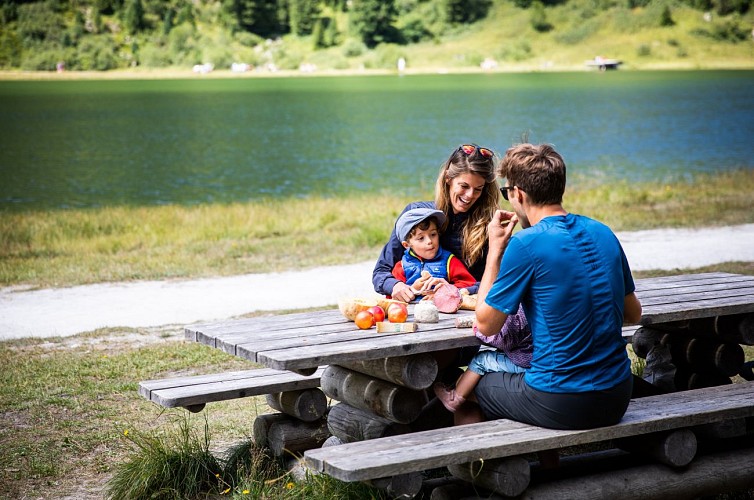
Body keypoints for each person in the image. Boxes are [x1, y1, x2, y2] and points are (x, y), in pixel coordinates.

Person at [465, 142, 643, 431]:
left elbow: (485, 324)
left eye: (507, 193)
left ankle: (485, 468)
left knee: (476, 385)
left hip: (560, 400)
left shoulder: (526, 243)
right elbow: (633, 314)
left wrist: (495, 250)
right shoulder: (603, 232)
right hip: (618, 395)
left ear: (518, 194)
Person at [373, 144, 500, 303]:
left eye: (478, 189)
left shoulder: (489, 226)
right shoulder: (415, 214)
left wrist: (456, 290)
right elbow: (380, 272)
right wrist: (396, 286)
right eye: (464, 186)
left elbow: (498, 282)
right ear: (448, 178)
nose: (470, 195)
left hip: (464, 313)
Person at [433, 304, 531, 412]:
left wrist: (479, 329)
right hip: (537, 359)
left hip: (525, 364)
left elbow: (503, 339)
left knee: (481, 360)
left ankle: (455, 398)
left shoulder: (520, 309)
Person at [390, 207, 476, 297]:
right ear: (406, 245)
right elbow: (394, 296)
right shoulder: (402, 266)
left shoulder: (449, 261)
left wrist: (448, 288)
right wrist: (412, 289)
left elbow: (470, 284)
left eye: (433, 234)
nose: (429, 241)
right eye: (421, 238)